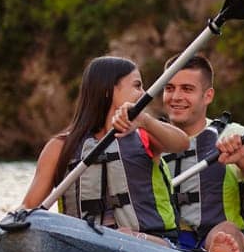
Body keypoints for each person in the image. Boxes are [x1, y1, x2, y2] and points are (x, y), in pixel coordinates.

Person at [20, 56, 190, 239]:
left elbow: (181, 143)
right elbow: (29, 207)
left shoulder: (145, 134)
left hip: (151, 242)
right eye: (137, 85)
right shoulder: (59, 147)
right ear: (109, 90)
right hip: (83, 245)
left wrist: (146, 121)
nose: (143, 93)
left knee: (126, 237)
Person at [160, 55, 244, 252]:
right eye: (169, 88)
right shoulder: (150, 139)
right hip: (168, 241)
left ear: (208, 96)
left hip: (219, 236)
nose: (176, 96)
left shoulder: (234, 135)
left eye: (187, 89)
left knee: (224, 232)